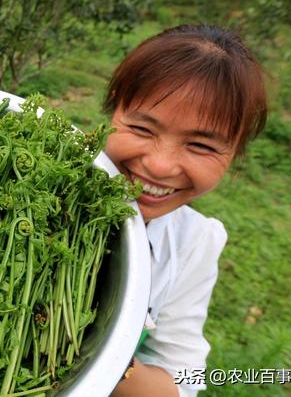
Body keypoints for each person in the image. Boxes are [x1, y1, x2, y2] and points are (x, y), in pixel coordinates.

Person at [104, 24, 267, 396]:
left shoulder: (194, 242)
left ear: (236, 152)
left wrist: (101, 351)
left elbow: (183, 381)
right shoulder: (31, 179)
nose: (160, 166)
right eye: (143, 129)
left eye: (201, 146)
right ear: (115, 108)